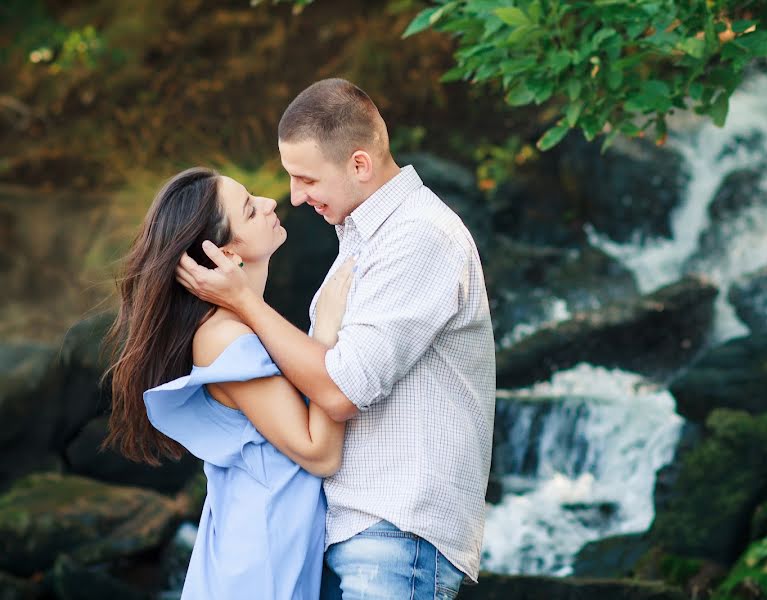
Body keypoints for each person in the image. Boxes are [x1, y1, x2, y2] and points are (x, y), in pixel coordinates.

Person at [175, 78, 496, 599]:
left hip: (395, 530)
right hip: (354, 532)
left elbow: (341, 392)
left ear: (359, 164)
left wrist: (247, 302)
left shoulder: (417, 237)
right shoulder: (360, 243)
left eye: (305, 179)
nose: (295, 198)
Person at [103, 167, 355, 599]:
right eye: (250, 209)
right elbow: (320, 453)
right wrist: (328, 333)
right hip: (259, 562)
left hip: (269, 546)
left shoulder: (242, 328)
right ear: (225, 254)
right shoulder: (224, 338)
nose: (270, 203)